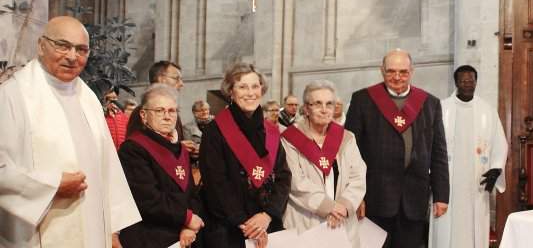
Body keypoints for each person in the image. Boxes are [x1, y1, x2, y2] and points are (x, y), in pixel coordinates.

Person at [0, 16, 140, 247]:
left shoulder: (88, 98)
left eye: (81, 49)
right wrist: (52, 185)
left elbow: (108, 167)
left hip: (93, 227)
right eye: (62, 46)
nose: (72, 56)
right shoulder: (13, 96)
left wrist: (113, 227)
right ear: (41, 45)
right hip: (37, 231)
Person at [345, 49, 449, 248]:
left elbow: (439, 153)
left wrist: (441, 195)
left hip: (415, 197)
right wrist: (354, 196)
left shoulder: (430, 103)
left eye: (403, 72)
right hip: (375, 197)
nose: (397, 77)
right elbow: (349, 153)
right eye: (391, 71)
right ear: (381, 71)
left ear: (412, 71)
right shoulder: (363, 100)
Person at [199, 63, 291, 248]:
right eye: (242, 87)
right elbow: (215, 183)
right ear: (230, 91)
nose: (250, 93)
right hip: (230, 228)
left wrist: (268, 215)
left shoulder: (271, 132)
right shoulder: (215, 131)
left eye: (255, 86)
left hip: (268, 225)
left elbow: (283, 177)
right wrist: (245, 224)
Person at [118, 84, 205, 247]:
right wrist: (187, 218)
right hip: (150, 236)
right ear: (143, 115)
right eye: (159, 110)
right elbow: (147, 200)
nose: (167, 116)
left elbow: (192, 195)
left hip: (184, 234)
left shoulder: (180, 148)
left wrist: (189, 226)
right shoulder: (133, 149)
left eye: (172, 111)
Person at [282, 80, 366, 248]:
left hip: (342, 221)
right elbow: (295, 181)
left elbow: (358, 176)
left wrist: (344, 206)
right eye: (317, 104)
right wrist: (329, 207)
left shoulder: (347, 138)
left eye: (329, 104)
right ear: (306, 108)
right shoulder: (290, 138)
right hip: (304, 221)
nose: (324, 109)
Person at [431, 65, 507, 248]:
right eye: (463, 81)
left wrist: (496, 169)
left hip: (476, 184)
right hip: (446, 182)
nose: (468, 84)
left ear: (476, 82)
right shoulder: (441, 108)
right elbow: (429, 142)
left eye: (471, 80)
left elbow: (499, 143)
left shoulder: (487, 110)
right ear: (456, 82)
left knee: (474, 230)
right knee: (445, 231)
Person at [150, 61, 200, 156]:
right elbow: (140, 149)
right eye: (176, 78)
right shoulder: (144, 112)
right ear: (160, 79)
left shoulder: (175, 114)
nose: (181, 84)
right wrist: (178, 147)